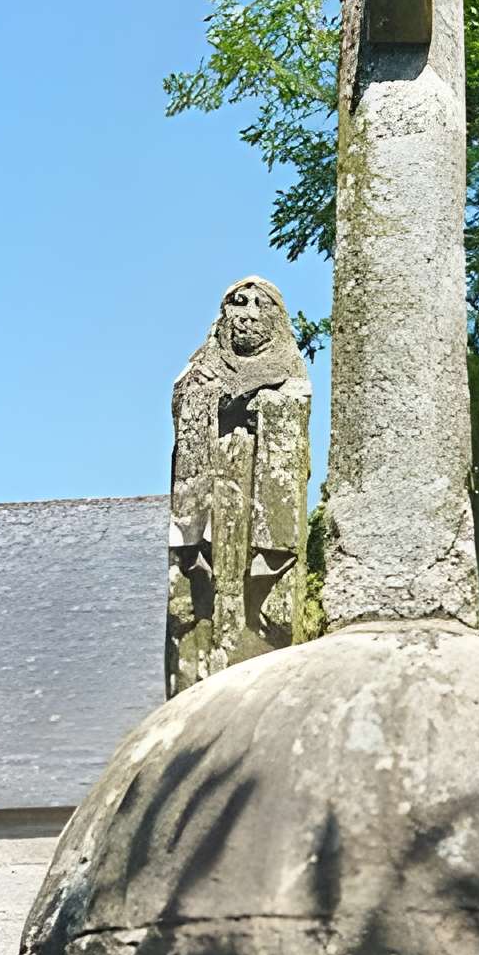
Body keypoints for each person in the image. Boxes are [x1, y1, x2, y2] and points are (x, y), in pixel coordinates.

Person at [167, 278, 311, 694]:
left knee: (249, 577)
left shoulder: (287, 366)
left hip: (255, 476)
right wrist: (212, 397)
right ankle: (205, 650)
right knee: (210, 582)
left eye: (259, 304)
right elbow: (183, 398)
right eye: (237, 302)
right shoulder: (202, 367)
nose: (247, 312)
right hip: (214, 478)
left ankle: (250, 644)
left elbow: (295, 405)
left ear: (275, 317)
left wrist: (263, 403)